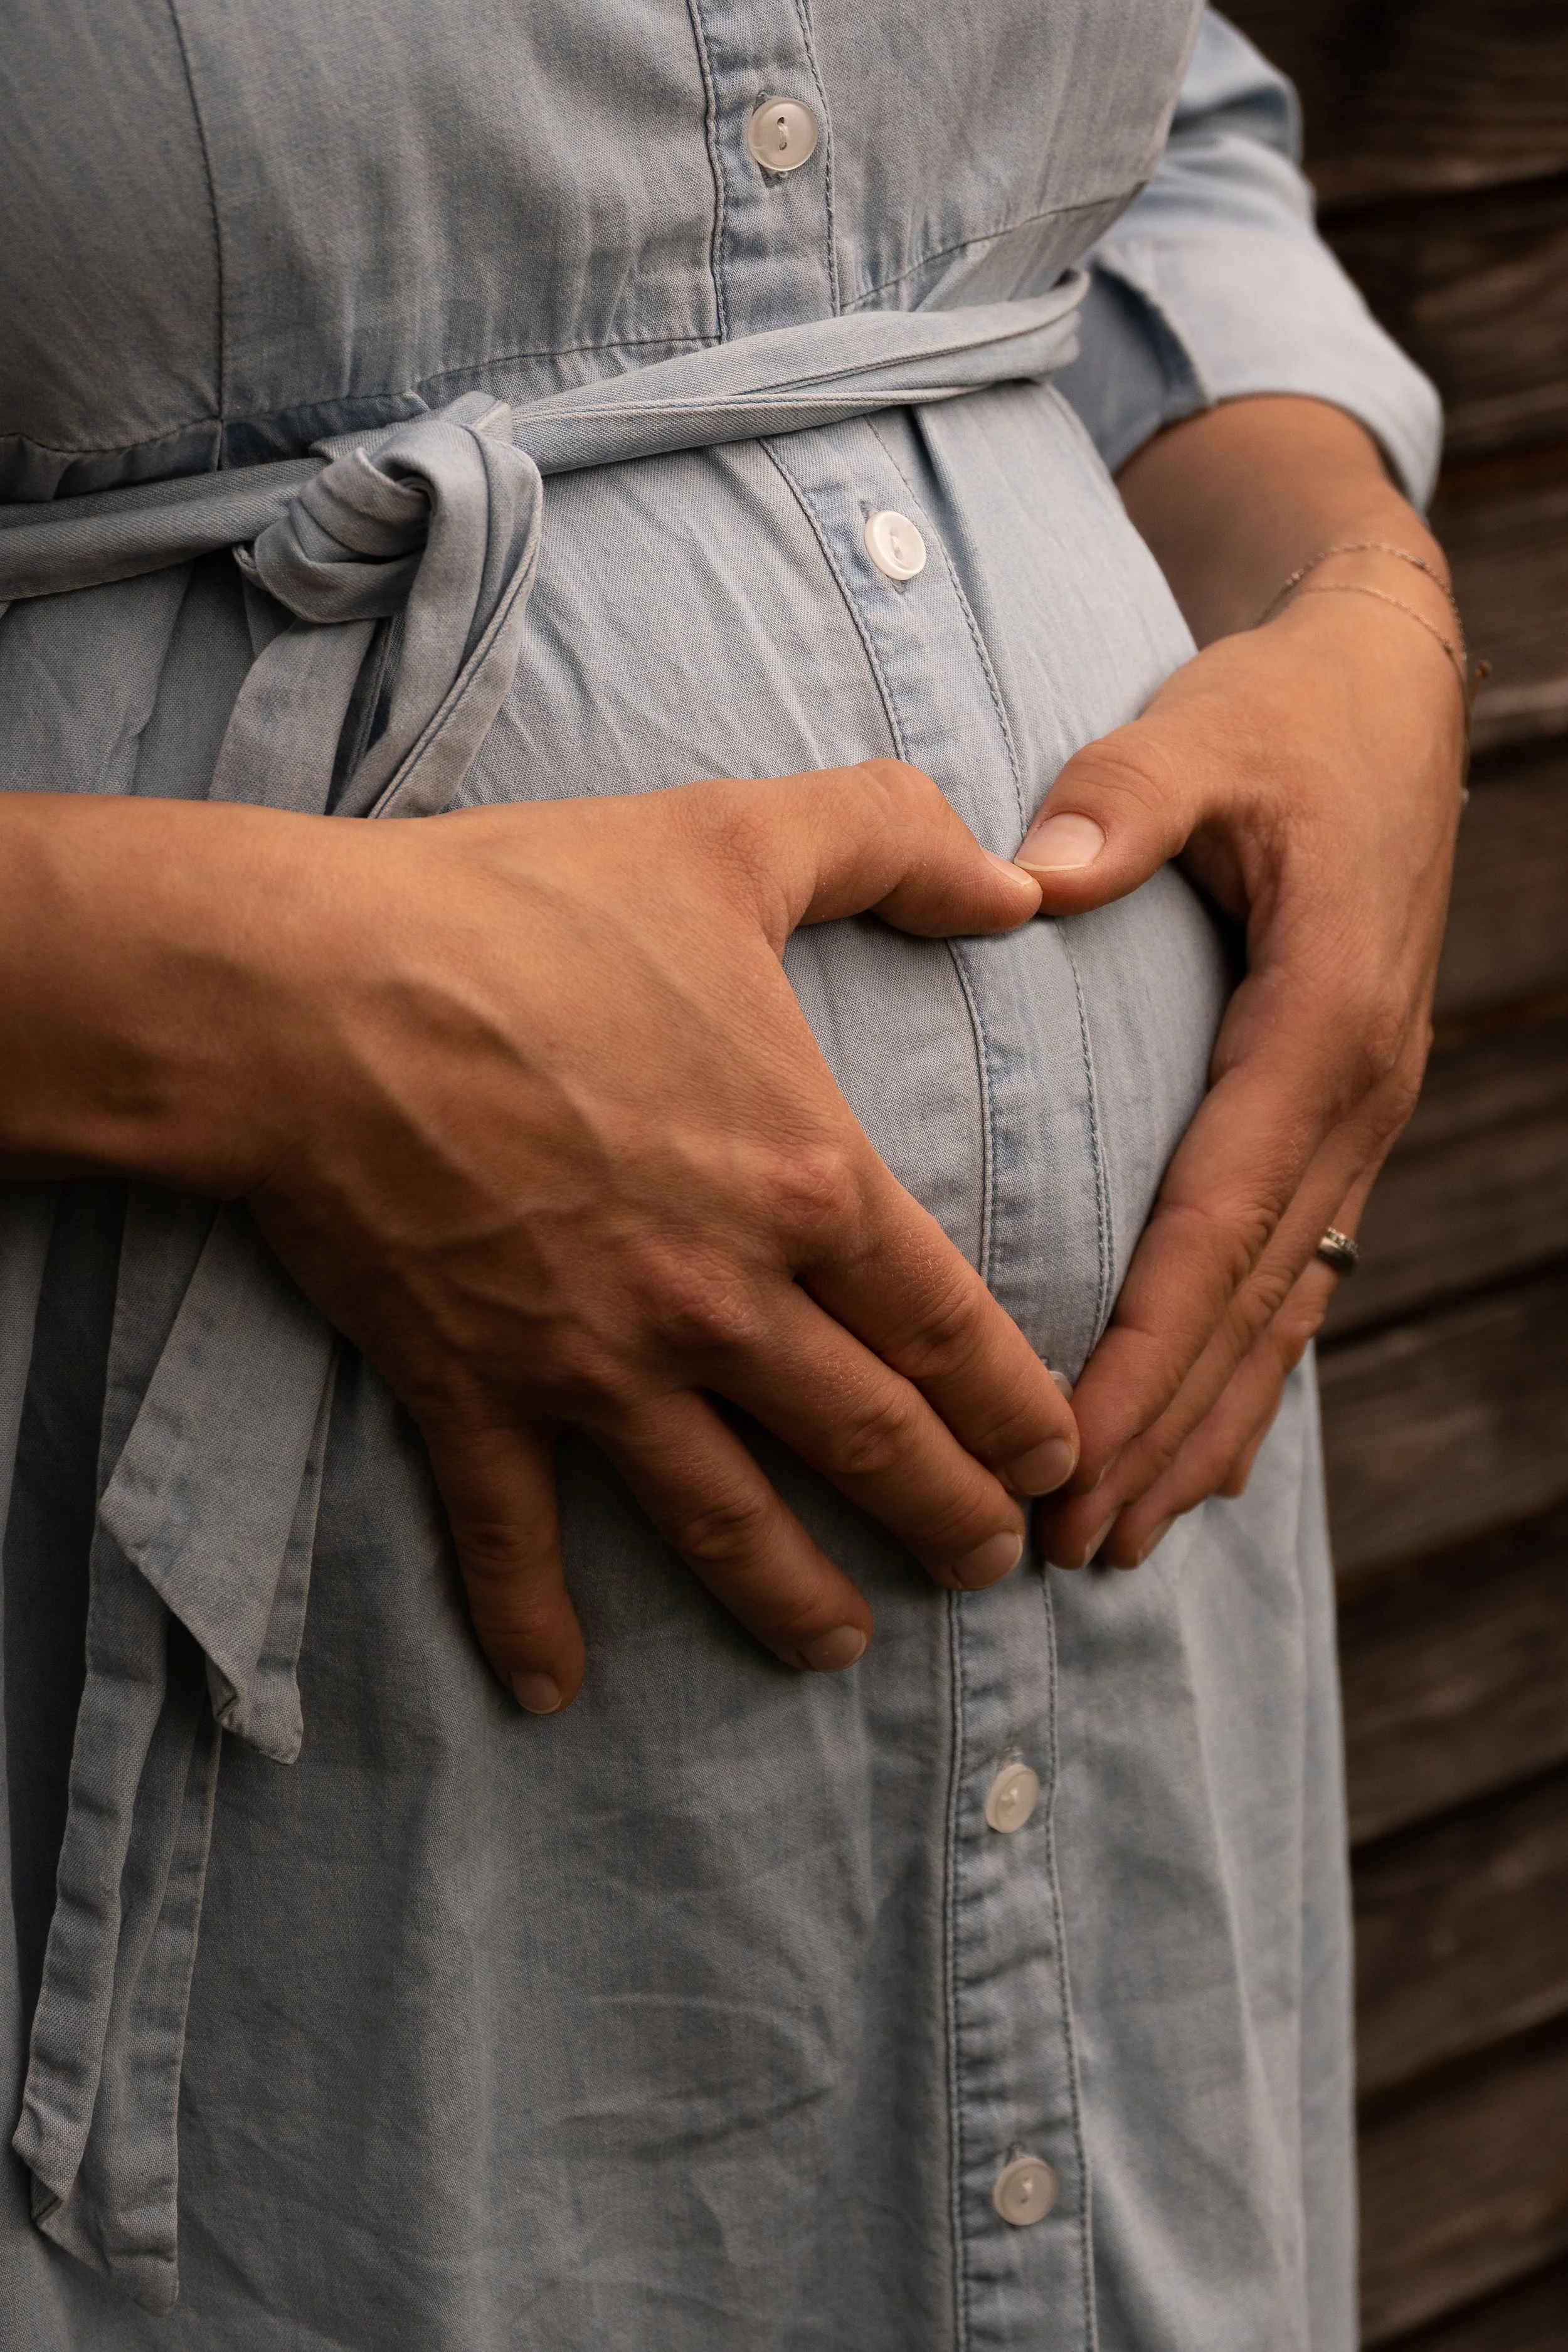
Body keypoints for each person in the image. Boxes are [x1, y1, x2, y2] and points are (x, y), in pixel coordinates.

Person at [0, 4, 1463, 2346]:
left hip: (1128, 1665)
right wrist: (270, 1007)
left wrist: (1352, 597)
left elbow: (1153, 132)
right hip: (279, 1740)